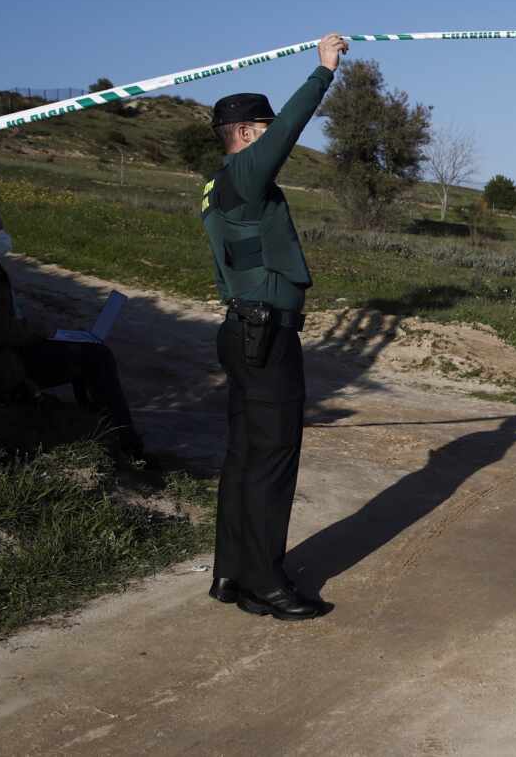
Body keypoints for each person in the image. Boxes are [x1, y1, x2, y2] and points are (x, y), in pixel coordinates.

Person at [201, 32, 348, 621]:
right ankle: (266, 582)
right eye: (261, 131)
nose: (269, 139)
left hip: (243, 331)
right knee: (272, 457)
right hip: (263, 335)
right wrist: (323, 72)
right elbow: (287, 132)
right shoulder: (243, 174)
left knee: (244, 456)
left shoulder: (222, 187)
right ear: (245, 134)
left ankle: (232, 572)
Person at [0, 202, 154, 467]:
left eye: (1, 227)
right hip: (0, 366)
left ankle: (104, 427)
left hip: (4, 356)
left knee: (87, 352)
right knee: (95, 357)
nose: (1, 235)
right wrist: (38, 330)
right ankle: (127, 444)